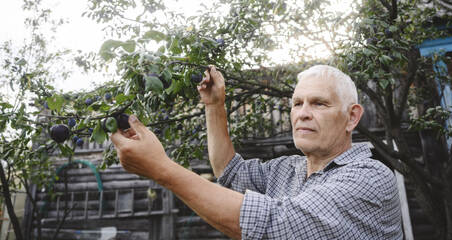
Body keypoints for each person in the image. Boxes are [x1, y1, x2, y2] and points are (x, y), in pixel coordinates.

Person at [110, 65, 403, 239]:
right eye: (297, 103)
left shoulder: (370, 178)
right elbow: (229, 171)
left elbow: (276, 227)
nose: (302, 113)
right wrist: (214, 106)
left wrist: (162, 169)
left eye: (319, 103)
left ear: (352, 117)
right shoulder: (289, 169)